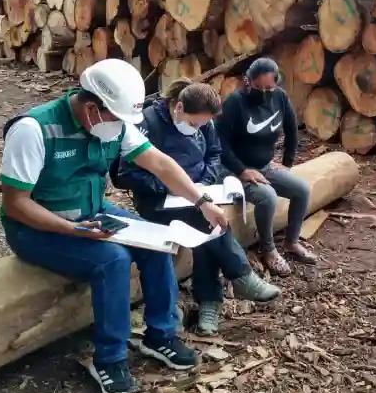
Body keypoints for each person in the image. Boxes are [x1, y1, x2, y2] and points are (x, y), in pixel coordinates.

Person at [0, 59, 231, 393]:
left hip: (91, 210)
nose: (121, 126)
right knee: (112, 260)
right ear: (91, 107)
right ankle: (110, 358)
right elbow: (16, 204)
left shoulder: (114, 124)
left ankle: (161, 335)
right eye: (116, 118)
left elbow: (160, 163)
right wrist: (71, 230)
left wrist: (202, 201)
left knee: (157, 240)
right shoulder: (34, 129)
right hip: (35, 227)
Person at [114, 79, 281, 336]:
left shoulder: (204, 121)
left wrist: (203, 182)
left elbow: (214, 153)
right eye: (193, 125)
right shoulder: (147, 122)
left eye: (202, 126)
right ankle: (237, 278)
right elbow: (125, 174)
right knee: (205, 220)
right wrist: (169, 187)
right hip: (158, 200)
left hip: (198, 191)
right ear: (179, 107)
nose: (197, 129)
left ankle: (211, 301)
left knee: (203, 221)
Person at [215, 58, 315, 277]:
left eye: (269, 87)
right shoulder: (235, 102)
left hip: (264, 165)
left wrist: (287, 163)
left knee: (302, 190)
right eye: (258, 87)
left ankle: (292, 242)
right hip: (233, 170)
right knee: (267, 196)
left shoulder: (280, 97)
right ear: (248, 81)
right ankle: (268, 250)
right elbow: (219, 142)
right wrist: (241, 170)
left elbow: (292, 129)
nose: (264, 92)